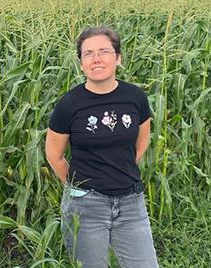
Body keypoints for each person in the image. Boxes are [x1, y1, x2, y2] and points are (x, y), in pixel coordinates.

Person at [45, 26, 159, 268]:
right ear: (80, 62)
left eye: (104, 51)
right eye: (88, 53)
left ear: (118, 58)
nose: (96, 59)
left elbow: (141, 143)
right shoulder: (68, 105)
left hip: (131, 202)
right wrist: (81, 187)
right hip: (86, 206)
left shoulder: (136, 98)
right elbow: (54, 156)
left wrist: (118, 171)